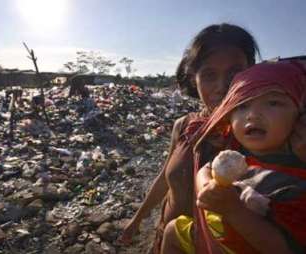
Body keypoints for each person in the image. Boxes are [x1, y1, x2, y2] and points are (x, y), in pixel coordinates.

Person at [120, 23, 306, 254]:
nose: (222, 86)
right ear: (194, 79)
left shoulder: (268, 136)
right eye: (209, 75)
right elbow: (165, 179)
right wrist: (137, 220)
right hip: (174, 237)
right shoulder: (186, 127)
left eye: (235, 73)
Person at [161, 61, 306, 254]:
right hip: (215, 237)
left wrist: (234, 210)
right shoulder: (237, 153)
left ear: (300, 116)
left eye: (273, 103)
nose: (253, 115)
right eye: (242, 106)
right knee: (172, 231)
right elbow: (206, 169)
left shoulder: (294, 181)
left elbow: (284, 248)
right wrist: (206, 187)